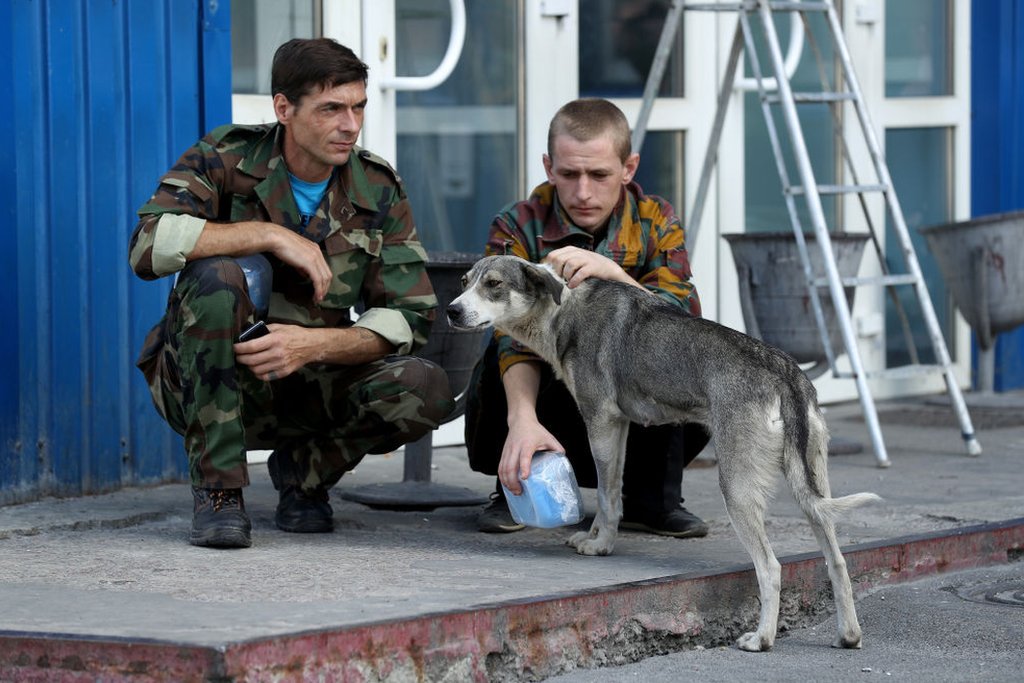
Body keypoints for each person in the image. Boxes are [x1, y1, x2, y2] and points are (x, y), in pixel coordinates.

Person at [129, 38, 454, 549]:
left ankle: (304, 478)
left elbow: (409, 317)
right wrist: (270, 235)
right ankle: (219, 492)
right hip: (214, 379)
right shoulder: (226, 157)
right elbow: (146, 246)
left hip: (311, 380)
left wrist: (312, 345)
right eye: (331, 109)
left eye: (358, 107)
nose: (350, 125)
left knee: (427, 386)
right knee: (214, 277)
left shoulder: (376, 186)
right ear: (283, 108)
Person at [464, 98, 710, 537]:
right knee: (505, 351)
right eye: (568, 174)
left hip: (638, 396)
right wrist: (521, 419)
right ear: (548, 166)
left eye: (599, 175)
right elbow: (507, 337)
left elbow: (683, 324)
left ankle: (652, 498)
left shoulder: (656, 220)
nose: (582, 192)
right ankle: (516, 484)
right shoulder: (518, 224)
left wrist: (615, 275)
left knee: (684, 362)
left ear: (628, 168)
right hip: (552, 401)